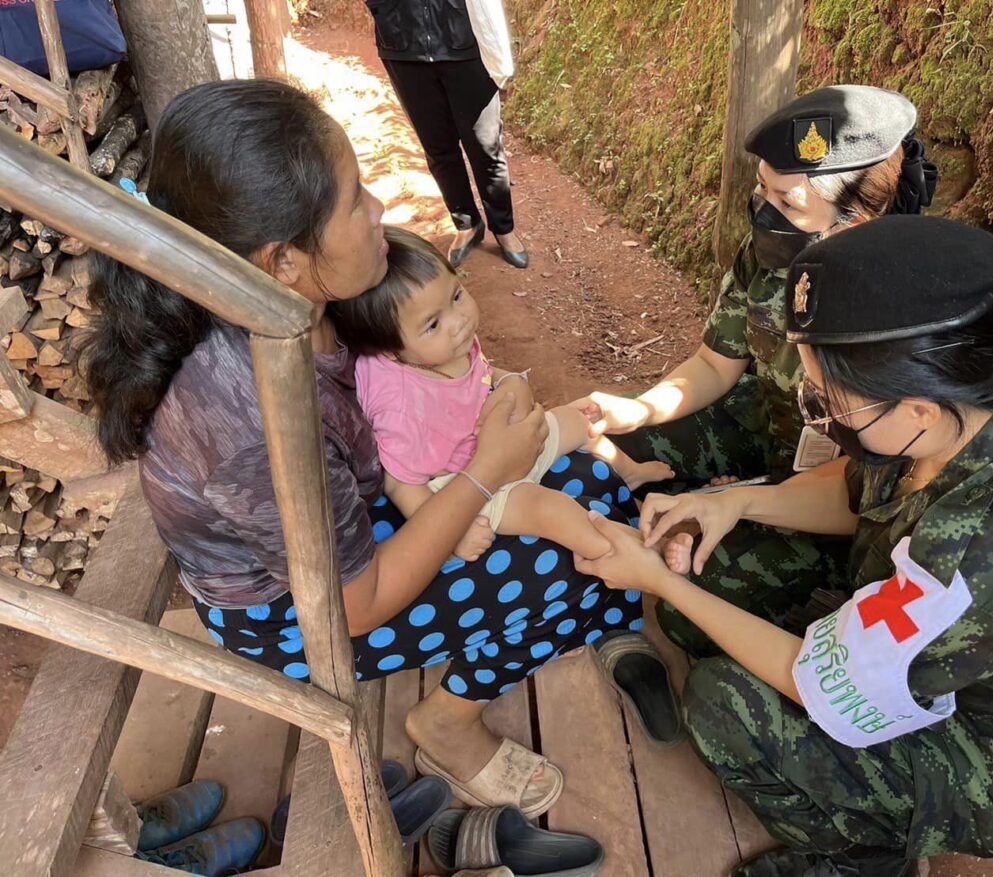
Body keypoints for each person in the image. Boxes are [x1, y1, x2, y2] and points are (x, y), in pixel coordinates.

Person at [82, 79, 645, 821]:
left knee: (588, 482)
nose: (378, 208)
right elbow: (354, 605)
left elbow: (422, 363)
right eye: (354, 199)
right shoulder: (250, 418)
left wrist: (497, 392)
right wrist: (484, 475)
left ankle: (600, 610)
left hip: (356, 505)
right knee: (568, 554)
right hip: (294, 613)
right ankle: (449, 722)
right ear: (282, 260)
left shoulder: (315, 293)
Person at [574, 216, 993, 877]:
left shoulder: (980, 548)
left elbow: (815, 684)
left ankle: (865, 857)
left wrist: (658, 579)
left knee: (722, 703)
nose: (827, 419)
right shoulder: (960, 410)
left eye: (831, 404)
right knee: (717, 569)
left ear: (921, 408)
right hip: (939, 653)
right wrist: (733, 501)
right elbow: (858, 490)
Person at [573, 85, 939, 653]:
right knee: (619, 455)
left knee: (687, 609)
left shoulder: (909, 313)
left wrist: (740, 496)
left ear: (862, 218)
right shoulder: (770, 256)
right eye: (762, 191)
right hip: (765, 425)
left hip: (840, 496)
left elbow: (861, 486)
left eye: (789, 203)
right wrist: (637, 408)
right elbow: (716, 366)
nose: (766, 213)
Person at [328, 226, 673, 562]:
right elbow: (400, 483)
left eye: (456, 295)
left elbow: (484, 373)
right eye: (433, 323)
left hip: (503, 445)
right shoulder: (400, 405)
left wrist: (511, 382)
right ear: (391, 351)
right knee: (552, 511)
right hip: (465, 486)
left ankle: (629, 473)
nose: (459, 320)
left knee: (580, 419)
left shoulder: (437, 346)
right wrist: (454, 534)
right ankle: (647, 553)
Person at [367, 0, 529, 268]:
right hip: (403, 47)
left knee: (485, 147)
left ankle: (503, 228)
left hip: (465, 44)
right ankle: (467, 224)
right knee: (438, 149)